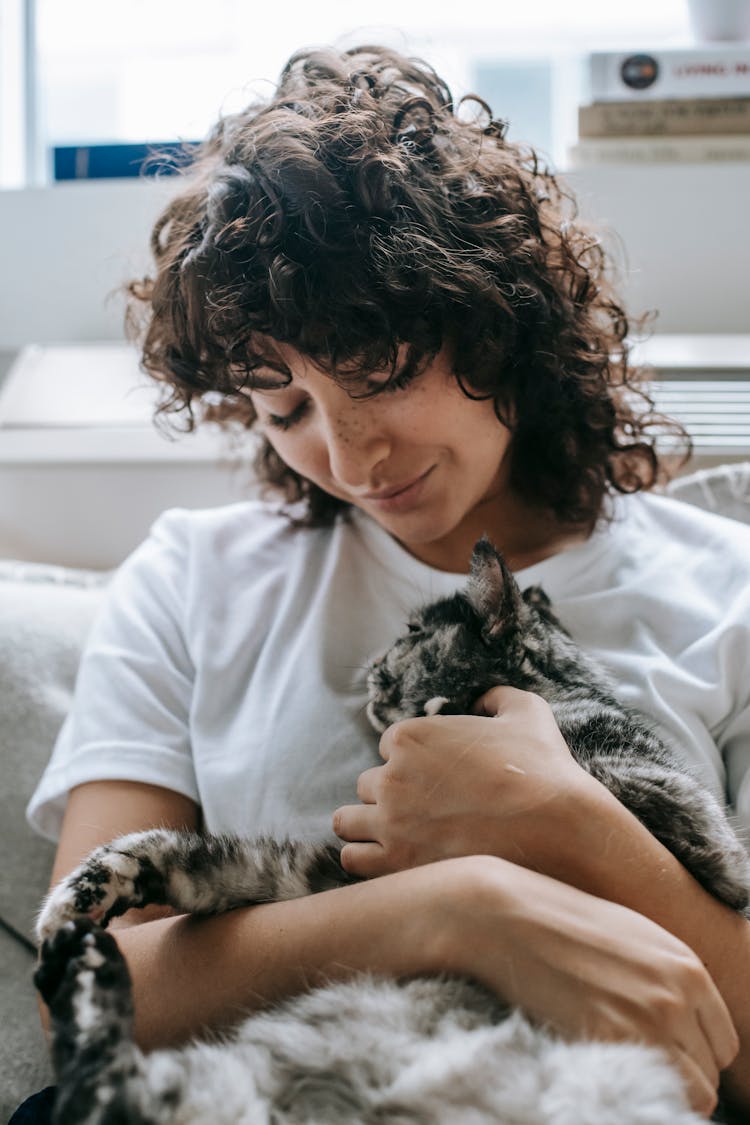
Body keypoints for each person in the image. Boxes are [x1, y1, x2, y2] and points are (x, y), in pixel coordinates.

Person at [17, 43, 750, 1123]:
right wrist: (464, 908)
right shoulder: (193, 579)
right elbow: (86, 983)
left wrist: (572, 829)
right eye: (286, 407)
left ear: (498, 325)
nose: (352, 461)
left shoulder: (727, 592)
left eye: (382, 374)